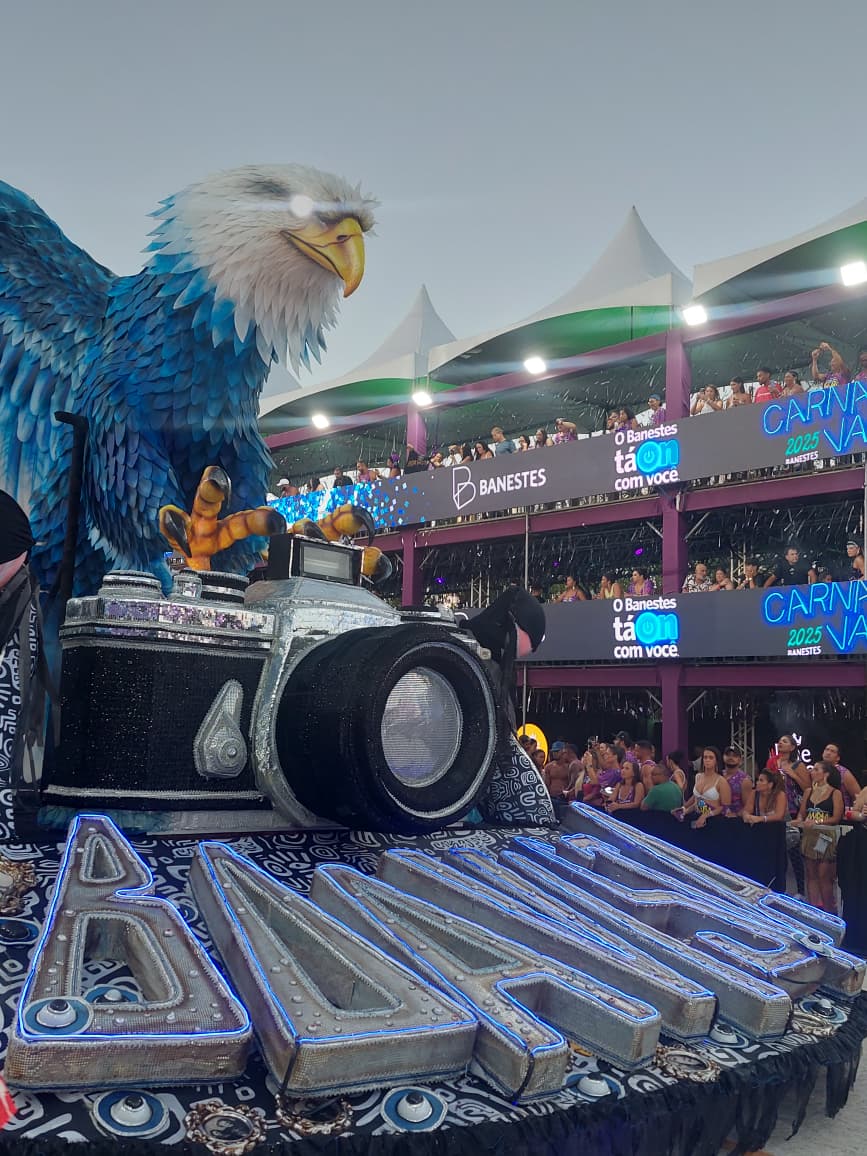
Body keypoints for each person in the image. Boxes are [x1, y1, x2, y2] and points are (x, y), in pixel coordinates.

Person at [791, 760, 844, 912]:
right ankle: (814, 910)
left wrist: (818, 821)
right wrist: (799, 821)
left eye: (816, 769)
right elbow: (802, 814)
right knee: (811, 873)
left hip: (825, 836)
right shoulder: (808, 792)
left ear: (825, 774)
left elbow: (836, 817)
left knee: (823, 875)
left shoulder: (835, 793)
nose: (812, 772)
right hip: (810, 835)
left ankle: (829, 910)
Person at [678, 746, 731, 828]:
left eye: (711, 758)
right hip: (697, 817)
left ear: (716, 760)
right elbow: (698, 801)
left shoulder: (721, 781)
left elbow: (724, 807)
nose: (707, 760)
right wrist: (684, 810)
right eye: (705, 757)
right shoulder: (698, 777)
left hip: (714, 821)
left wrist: (706, 815)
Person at [721, 746, 748, 816]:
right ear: (723, 757)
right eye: (728, 755)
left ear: (739, 759)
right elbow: (698, 798)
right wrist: (706, 813)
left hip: (735, 821)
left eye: (734, 756)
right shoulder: (717, 775)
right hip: (714, 818)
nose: (731, 757)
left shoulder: (744, 780)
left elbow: (748, 807)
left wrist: (735, 815)